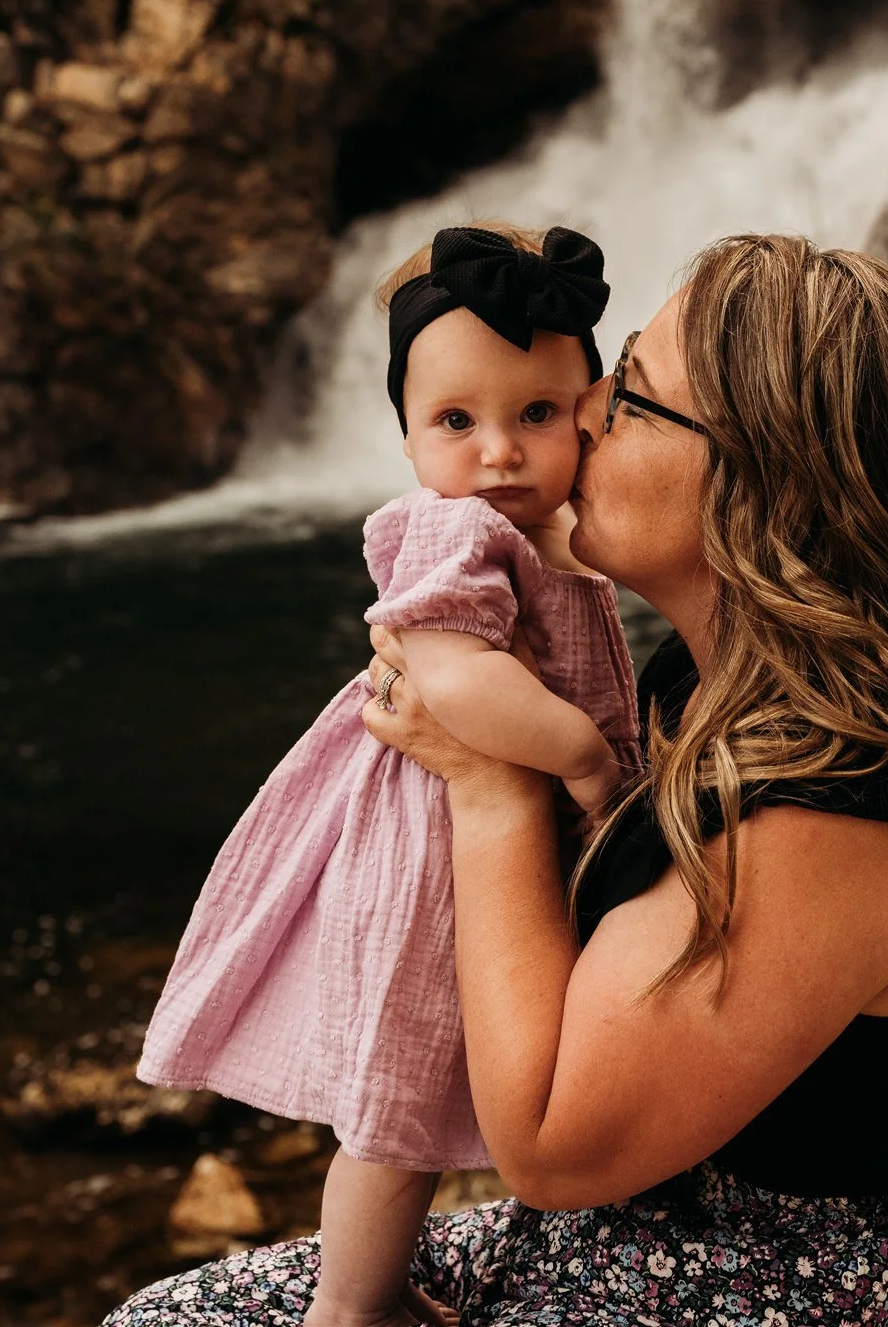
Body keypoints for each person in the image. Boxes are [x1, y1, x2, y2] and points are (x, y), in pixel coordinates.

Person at [109, 233, 888, 1327]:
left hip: (806, 1285)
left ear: (763, 479)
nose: (583, 409)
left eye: (633, 390)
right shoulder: (712, 684)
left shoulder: (840, 805)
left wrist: (489, 779)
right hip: (666, 1232)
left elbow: (551, 1142)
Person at [134, 224, 640, 1327]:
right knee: (399, 1102)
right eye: (456, 421)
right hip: (429, 856)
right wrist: (590, 757)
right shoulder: (450, 527)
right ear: (408, 438)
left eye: (537, 414)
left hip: (485, 847)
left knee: (454, 1087)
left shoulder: (554, 528)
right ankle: (350, 1309)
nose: (498, 450)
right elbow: (453, 681)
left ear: (593, 411)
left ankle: (381, 1287)